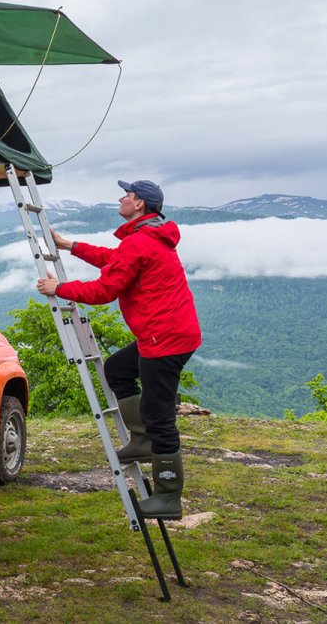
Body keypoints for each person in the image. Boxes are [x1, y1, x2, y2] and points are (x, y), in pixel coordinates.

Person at [35, 180, 201, 519]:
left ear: (139, 204)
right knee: (118, 369)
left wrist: (60, 288)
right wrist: (70, 245)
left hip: (163, 339)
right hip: (167, 333)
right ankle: (141, 440)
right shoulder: (148, 238)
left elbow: (106, 289)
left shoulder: (141, 241)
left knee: (161, 418)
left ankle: (169, 496)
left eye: (127, 194)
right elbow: (115, 260)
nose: (121, 198)